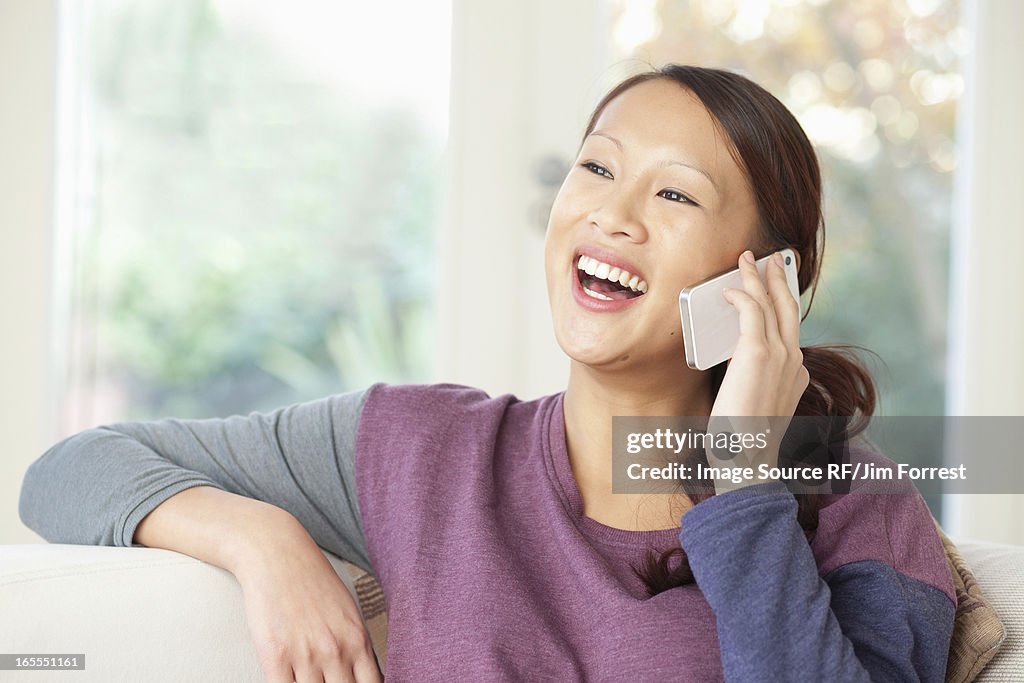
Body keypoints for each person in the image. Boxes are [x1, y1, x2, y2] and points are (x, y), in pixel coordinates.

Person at [19, 65, 956, 682]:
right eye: (596, 169)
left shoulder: (852, 500)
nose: (613, 215)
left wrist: (746, 475)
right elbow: (68, 471)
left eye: (673, 193)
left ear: (767, 282)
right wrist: (261, 538)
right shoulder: (424, 450)